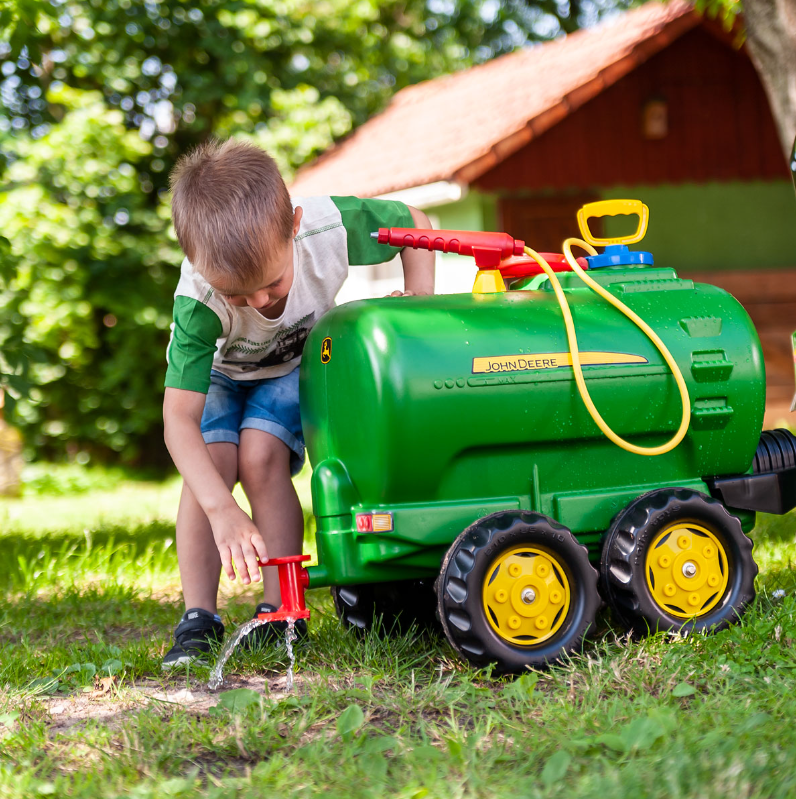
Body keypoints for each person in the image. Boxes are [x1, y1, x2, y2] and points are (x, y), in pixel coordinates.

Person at [161, 138, 435, 667]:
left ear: (294, 226)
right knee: (212, 465)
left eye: (271, 285)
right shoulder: (198, 303)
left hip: (291, 365)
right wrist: (223, 509)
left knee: (261, 455)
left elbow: (415, 224)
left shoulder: (328, 228)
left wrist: (418, 303)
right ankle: (198, 618)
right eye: (237, 296)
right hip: (220, 375)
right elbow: (178, 420)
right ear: (197, 263)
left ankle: (280, 610)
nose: (258, 303)